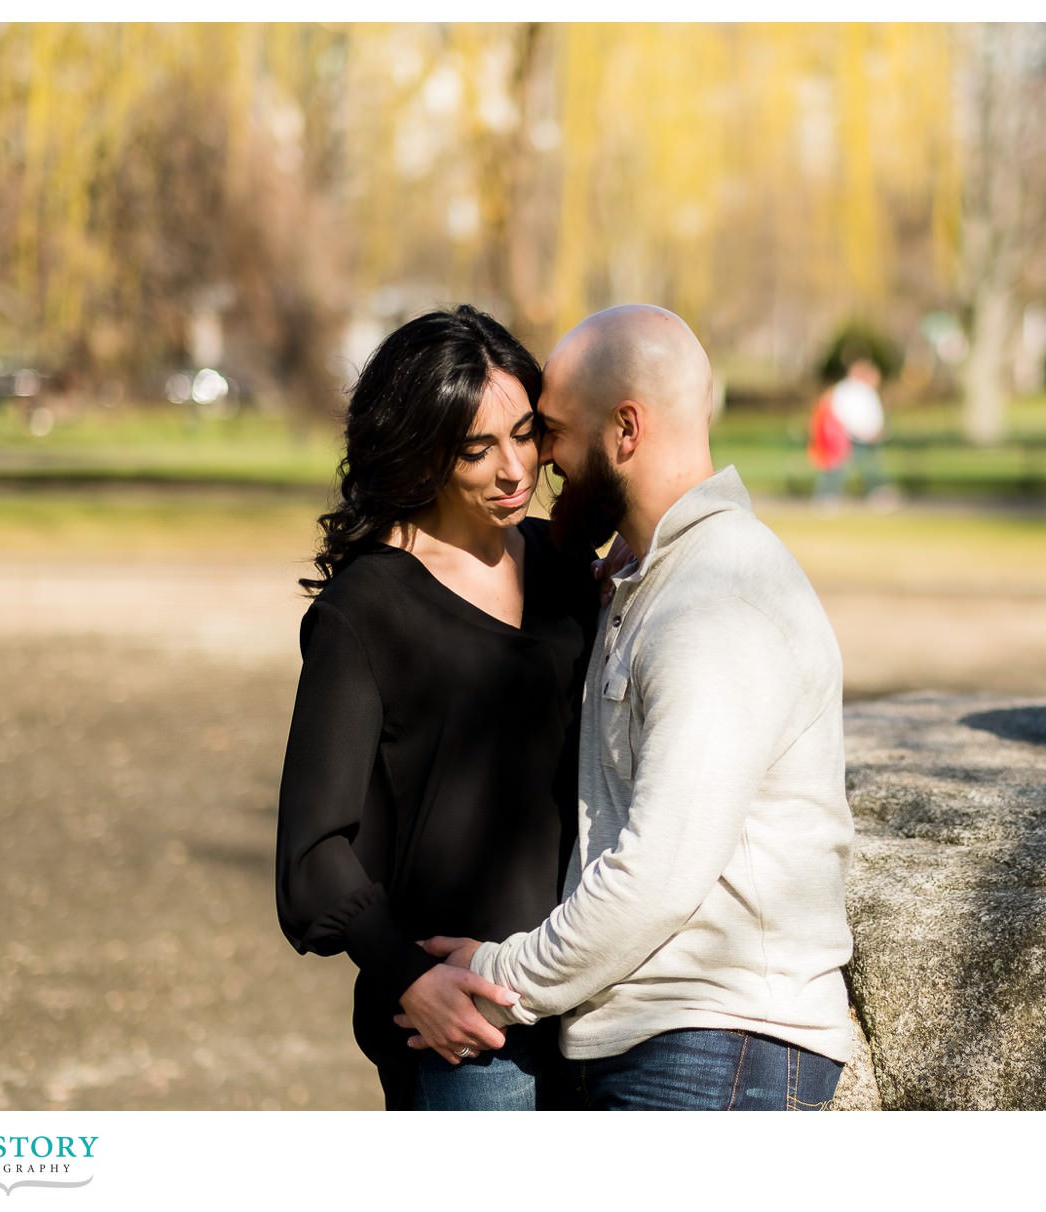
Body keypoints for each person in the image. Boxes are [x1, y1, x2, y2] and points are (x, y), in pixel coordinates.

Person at [402, 304, 855, 1111]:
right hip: (662, 1042)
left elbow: (658, 874)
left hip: (715, 1045)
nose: (541, 461)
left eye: (553, 432)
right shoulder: (653, 584)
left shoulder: (719, 602)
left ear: (626, 431)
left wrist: (493, 971)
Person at [274, 305, 601, 1111]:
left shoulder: (571, 577)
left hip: (594, 1000)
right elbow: (315, 849)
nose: (513, 470)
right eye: (476, 448)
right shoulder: (366, 609)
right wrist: (410, 977)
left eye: (525, 435)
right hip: (466, 1029)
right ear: (422, 452)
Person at [828, 356, 895, 507]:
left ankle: (878, 494)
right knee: (839, 467)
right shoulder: (846, 389)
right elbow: (841, 412)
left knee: (872, 466)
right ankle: (829, 495)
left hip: (870, 436)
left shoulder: (866, 390)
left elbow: (873, 413)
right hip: (851, 436)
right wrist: (855, 430)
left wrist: (876, 429)